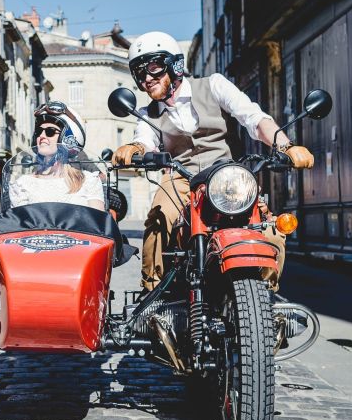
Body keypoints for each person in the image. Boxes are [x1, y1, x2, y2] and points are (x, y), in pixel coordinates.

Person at [111, 31, 314, 291]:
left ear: (174, 65)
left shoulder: (213, 84)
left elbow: (253, 117)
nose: (147, 78)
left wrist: (286, 145)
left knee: (267, 226)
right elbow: (145, 138)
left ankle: (265, 301)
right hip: (180, 178)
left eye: (153, 67)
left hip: (227, 176)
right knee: (161, 216)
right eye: (140, 73)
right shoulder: (146, 113)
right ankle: (154, 295)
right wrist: (135, 147)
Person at [8, 101, 105, 211]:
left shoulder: (88, 181)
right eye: (39, 131)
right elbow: (20, 224)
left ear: (68, 137)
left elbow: (97, 223)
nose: (41, 136)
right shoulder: (23, 184)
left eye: (50, 132)